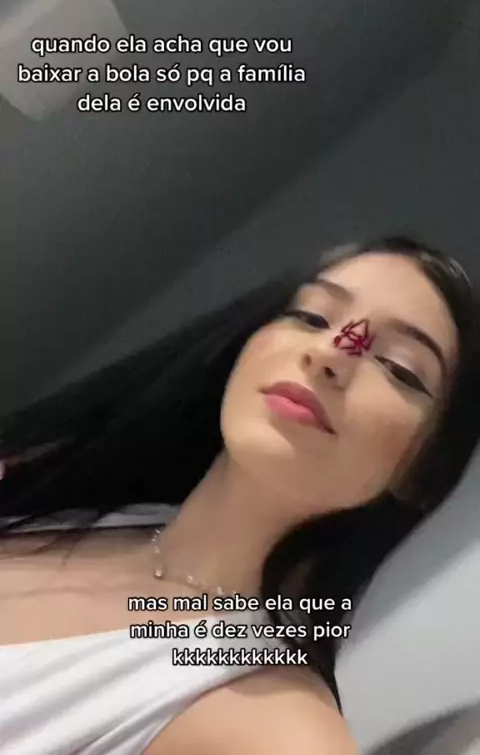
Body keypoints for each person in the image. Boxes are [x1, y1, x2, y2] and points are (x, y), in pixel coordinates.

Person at [0, 235, 479, 755]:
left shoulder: (277, 731)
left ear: (422, 473)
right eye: (313, 317)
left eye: (399, 367)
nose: (330, 353)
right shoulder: (59, 487)